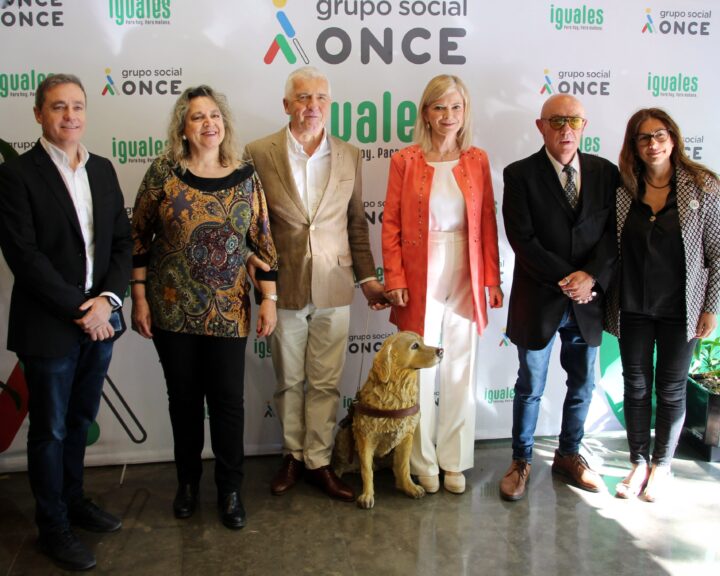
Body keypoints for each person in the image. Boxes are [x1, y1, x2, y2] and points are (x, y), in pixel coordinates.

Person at [130, 85, 278, 529]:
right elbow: (137, 236)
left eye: (214, 115)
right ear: (183, 128)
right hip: (172, 310)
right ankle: (188, 484)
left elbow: (262, 241)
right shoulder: (164, 173)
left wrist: (268, 299)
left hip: (229, 313)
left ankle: (230, 490)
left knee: (229, 403)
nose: (208, 123)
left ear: (224, 124)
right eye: (197, 117)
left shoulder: (246, 176)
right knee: (184, 403)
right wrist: (139, 296)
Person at [0, 74, 132, 571]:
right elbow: (25, 257)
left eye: (77, 106)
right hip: (50, 326)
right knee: (50, 431)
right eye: (58, 107)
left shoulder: (102, 168)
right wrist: (83, 310)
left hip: (101, 321)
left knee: (79, 421)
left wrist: (107, 302)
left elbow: (121, 243)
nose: (70, 115)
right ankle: (52, 527)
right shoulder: (17, 175)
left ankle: (74, 502)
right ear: (38, 113)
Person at [245, 66, 387, 502]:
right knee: (289, 380)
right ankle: (292, 455)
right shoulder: (258, 152)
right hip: (282, 286)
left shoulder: (349, 155)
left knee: (326, 383)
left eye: (321, 98)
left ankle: (319, 460)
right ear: (286, 104)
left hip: (334, 284)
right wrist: (263, 286)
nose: (313, 106)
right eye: (304, 98)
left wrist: (368, 279)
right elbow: (252, 227)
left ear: (330, 104)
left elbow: (356, 224)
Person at [381, 75, 503, 495]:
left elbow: (486, 221)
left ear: (465, 112)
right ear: (426, 113)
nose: (448, 116)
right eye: (439, 107)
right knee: (420, 366)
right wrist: (395, 277)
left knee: (460, 366)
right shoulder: (405, 159)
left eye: (455, 107)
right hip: (421, 266)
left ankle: (454, 460)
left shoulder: (477, 159)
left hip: (466, 263)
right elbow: (390, 223)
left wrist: (492, 278)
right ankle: (421, 461)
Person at [499, 94, 619, 501]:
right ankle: (520, 461)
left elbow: (613, 235)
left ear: (584, 126)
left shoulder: (605, 173)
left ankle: (568, 455)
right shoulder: (519, 174)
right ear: (540, 126)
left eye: (573, 121)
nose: (565, 129)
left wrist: (591, 278)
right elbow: (523, 239)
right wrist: (569, 279)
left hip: (588, 303)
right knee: (529, 386)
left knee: (582, 385)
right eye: (556, 121)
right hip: (539, 300)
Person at [605, 108, 720, 502]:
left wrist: (711, 307)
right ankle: (638, 462)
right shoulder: (623, 188)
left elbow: (717, 252)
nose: (652, 144)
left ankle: (662, 466)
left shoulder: (702, 186)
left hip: (681, 309)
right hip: (633, 305)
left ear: (672, 139)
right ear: (634, 146)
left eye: (659, 135)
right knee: (636, 386)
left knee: (671, 389)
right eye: (644, 137)